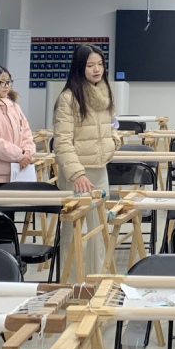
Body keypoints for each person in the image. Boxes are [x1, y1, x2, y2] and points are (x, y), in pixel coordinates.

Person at [52, 44, 116, 279]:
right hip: (77, 174)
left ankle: (96, 281)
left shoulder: (105, 94)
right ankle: (71, 284)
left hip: (100, 169)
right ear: (80, 67)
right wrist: (77, 174)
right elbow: (62, 141)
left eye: (100, 64)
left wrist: (114, 142)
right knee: (74, 231)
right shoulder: (68, 98)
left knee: (100, 229)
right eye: (90, 65)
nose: (97, 70)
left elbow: (111, 126)